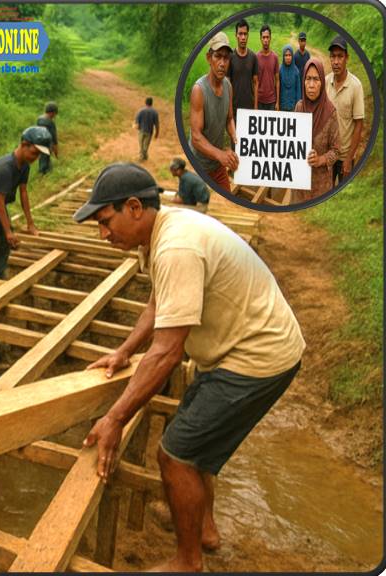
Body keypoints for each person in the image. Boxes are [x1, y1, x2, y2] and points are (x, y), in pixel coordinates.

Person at [74, 162, 305, 573]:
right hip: (234, 347)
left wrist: (114, 418)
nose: (103, 234)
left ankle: (187, 561)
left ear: (133, 208)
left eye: (106, 222)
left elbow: (166, 351)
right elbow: (159, 302)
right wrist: (125, 349)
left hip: (257, 356)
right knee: (194, 443)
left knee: (176, 455)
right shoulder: (161, 231)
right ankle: (205, 529)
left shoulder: (177, 246)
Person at [0, 126, 50, 280]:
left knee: (5, 245)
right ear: (24, 144)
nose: (36, 158)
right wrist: (7, 232)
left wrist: (30, 223)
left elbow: (24, 193)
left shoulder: (24, 166)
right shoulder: (5, 168)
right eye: (34, 153)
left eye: (39, 155)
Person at [189, 31, 238, 193]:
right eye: (218, 56)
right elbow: (196, 137)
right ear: (209, 58)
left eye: (226, 58)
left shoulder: (228, 86)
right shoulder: (199, 90)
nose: (222, 63)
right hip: (198, 166)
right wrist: (221, 155)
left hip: (217, 167)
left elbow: (229, 118)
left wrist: (235, 137)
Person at [295, 58, 340, 202]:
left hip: (321, 188)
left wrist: (320, 159)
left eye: (316, 79)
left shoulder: (331, 113)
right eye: (308, 79)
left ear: (322, 82)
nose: (311, 85)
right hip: (299, 185)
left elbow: (337, 151)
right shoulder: (299, 108)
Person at [325, 35, 365, 186]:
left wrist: (348, 159)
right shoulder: (326, 82)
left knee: (341, 196)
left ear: (346, 58)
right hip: (328, 155)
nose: (336, 61)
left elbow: (359, 124)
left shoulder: (356, 86)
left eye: (340, 56)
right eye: (333, 57)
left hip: (344, 157)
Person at [228, 18, 259, 122]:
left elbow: (255, 83)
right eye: (240, 34)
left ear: (248, 35)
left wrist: (255, 108)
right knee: (235, 138)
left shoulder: (253, 57)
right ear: (236, 35)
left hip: (249, 108)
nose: (243, 37)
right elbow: (227, 84)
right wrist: (229, 108)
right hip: (235, 108)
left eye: (245, 34)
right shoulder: (230, 57)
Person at [256, 25, 280, 111]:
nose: (265, 40)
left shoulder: (275, 57)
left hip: (272, 101)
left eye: (267, 37)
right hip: (259, 100)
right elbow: (255, 81)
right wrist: (255, 104)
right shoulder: (256, 57)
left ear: (270, 38)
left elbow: (277, 80)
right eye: (263, 37)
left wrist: (277, 102)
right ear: (260, 39)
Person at [36, 101, 59, 175]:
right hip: (47, 145)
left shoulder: (39, 119)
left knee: (42, 159)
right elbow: (54, 138)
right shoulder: (50, 122)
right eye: (55, 113)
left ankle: (44, 173)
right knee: (45, 161)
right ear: (52, 112)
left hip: (38, 143)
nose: (55, 115)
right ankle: (42, 174)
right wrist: (56, 152)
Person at [134, 97, 159, 161]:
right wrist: (157, 133)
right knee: (146, 145)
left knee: (141, 145)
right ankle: (144, 156)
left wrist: (137, 127)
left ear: (145, 102)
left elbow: (136, 122)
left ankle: (142, 157)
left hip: (141, 131)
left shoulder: (141, 111)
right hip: (149, 132)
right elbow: (157, 124)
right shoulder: (155, 112)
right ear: (152, 103)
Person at [279, 44, 302, 112]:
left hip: (293, 107)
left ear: (292, 56)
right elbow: (277, 89)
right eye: (286, 55)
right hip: (282, 106)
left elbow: (298, 90)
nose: (288, 57)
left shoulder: (296, 71)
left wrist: (298, 106)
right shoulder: (280, 70)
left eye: (290, 55)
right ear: (283, 57)